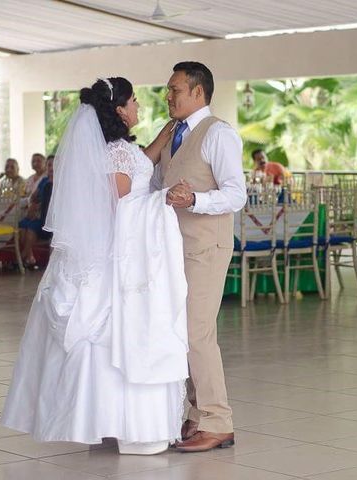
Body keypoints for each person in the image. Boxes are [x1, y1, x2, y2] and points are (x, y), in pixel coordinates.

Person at [2, 77, 188, 456]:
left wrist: (161, 140)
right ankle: (123, 424)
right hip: (115, 256)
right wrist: (161, 200)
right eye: (134, 101)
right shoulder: (115, 154)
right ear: (119, 109)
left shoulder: (113, 149)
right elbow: (119, 205)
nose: (139, 106)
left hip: (113, 251)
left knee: (102, 346)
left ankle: (102, 423)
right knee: (111, 340)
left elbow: (137, 166)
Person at [156, 61, 246, 452]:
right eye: (168, 90)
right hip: (176, 250)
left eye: (175, 89)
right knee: (182, 333)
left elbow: (236, 194)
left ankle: (218, 421)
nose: (169, 96)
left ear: (198, 92)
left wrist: (195, 199)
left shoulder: (218, 134)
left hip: (207, 247)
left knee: (197, 333)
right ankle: (195, 415)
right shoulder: (174, 133)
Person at [18, 156, 54, 268]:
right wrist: (34, 204)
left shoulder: (60, 181)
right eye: (49, 165)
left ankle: (23, 257)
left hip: (48, 217)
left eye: (53, 165)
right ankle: (29, 257)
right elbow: (34, 196)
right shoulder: (44, 180)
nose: (51, 168)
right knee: (23, 225)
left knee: (31, 228)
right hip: (39, 213)